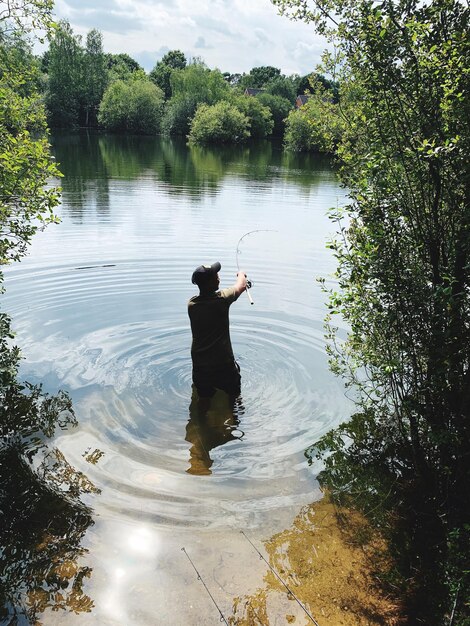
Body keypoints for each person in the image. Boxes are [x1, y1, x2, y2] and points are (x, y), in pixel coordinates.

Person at [188, 261, 247, 399]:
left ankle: (200, 419)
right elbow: (241, 285)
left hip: (200, 366)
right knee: (234, 399)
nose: (218, 276)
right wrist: (241, 274)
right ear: (210, 283)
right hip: (223, 364)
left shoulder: (192, 304)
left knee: (203, 402)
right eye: (215, 275)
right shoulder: (222, 299)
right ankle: (234, 419)